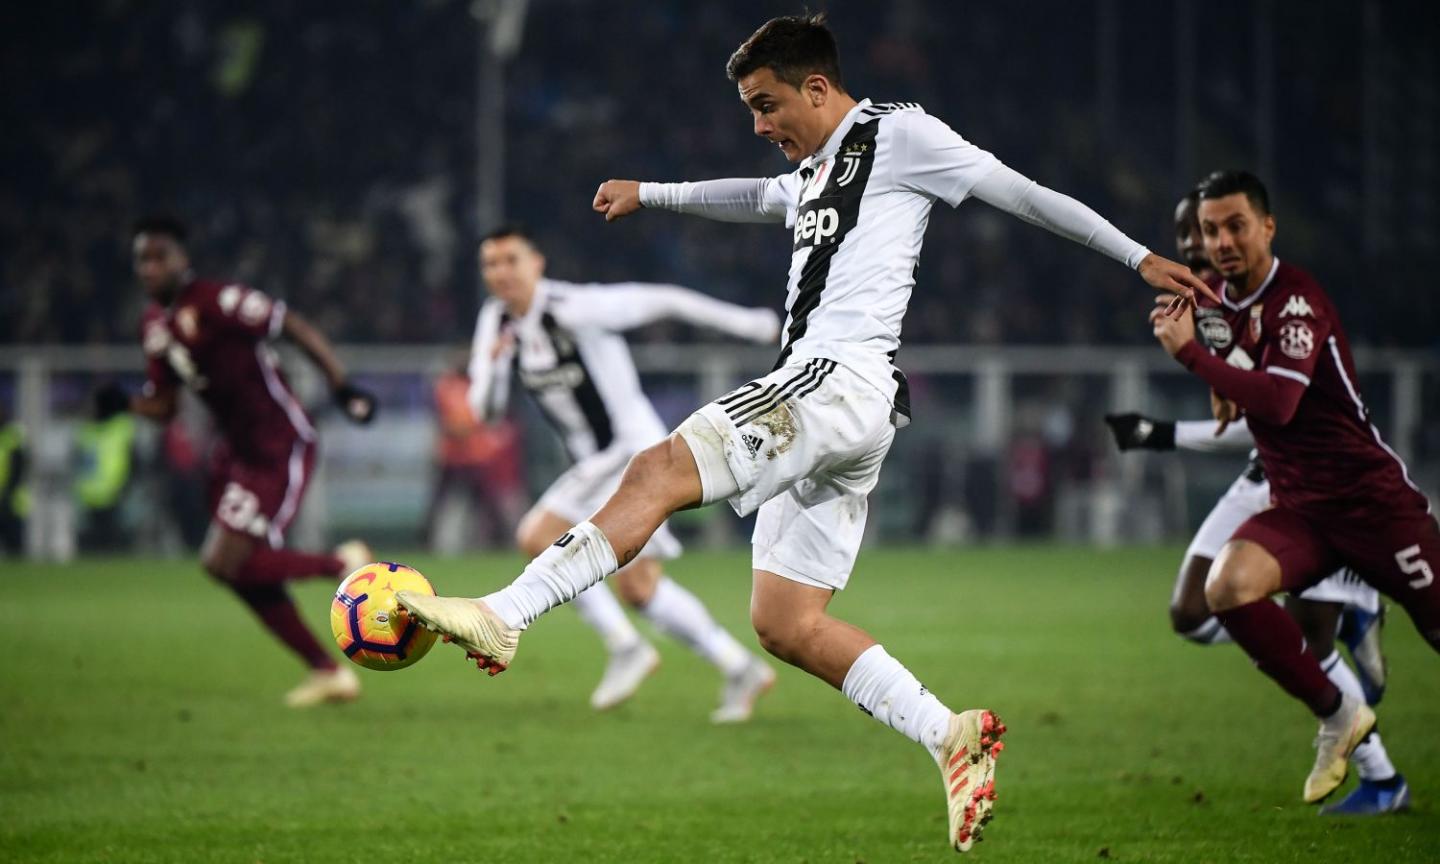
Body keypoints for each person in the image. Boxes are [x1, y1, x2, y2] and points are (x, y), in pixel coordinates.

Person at [398, 15, 1210, 852]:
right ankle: (948, 734)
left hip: (835, 377)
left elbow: (1022, 193)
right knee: (786, 620)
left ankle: (508, 611)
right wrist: (654, 194)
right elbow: (756, 197)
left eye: (766, 104)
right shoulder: (817, 169)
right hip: (851, 409)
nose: (758, 124)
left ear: (817, 88)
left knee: (656, 468)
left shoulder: (901, 135)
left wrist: (1138, 257)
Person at [1106, 191, 1405, 815]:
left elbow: (1277, 409)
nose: (1195, 248)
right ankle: (1322, 628)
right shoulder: (1208, 304)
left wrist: (1161, 434)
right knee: (1192, 610)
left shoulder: (1273, 306)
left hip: (1316, 485)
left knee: (1303, 641)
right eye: (1187, 238)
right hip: (1259, 475)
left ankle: (1381, 777)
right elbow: (1243, 418)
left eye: (1205, 235)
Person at [465, 224, 780, 720]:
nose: (501, 273)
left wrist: (751, 325)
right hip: (595, 462)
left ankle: (625, 647)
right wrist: (497, 367)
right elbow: (483, 410)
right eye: (490, 264)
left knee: (538, 534)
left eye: (511, 260)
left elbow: (664, 299)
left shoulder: (574, 308)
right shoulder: (495, 321)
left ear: (536, 263)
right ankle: (739, 666)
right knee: (639, 587)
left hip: (630, 452)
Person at [111, 217, 379, 707]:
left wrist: (341, 385)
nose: (150, 268)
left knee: (228, 561)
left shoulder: (218, 301)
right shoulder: (154, 326)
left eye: (159, 256)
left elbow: (291, 324)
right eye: (142, 260)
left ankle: (341, 566)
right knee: (229, 567)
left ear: (181, 259)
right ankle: (327, 669)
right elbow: (165, 405)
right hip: (235, 453)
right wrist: (123, 403)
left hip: (278, 442)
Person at [423, 355, 525, 551]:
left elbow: (484, 420)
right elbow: (449, 423)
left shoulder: (478, 386)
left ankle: (497, 542)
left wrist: (468, 429)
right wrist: (467, 428)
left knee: (487, 504)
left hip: (475, 456)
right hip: (452, 457)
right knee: (441, 503)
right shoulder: (447, 386)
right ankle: (427, 541)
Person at [74, 383, 138, 551]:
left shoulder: (122, 427)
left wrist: (128, 485)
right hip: (90, 496)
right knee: (93, 547)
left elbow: (134, 460)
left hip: (117, 494)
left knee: (116, 544)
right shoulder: (86, 431)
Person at [0, 403, 28, 555]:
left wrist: (7, 494)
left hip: (12, 503)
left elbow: (19, 468)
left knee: (14, 548)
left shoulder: (12, 437)